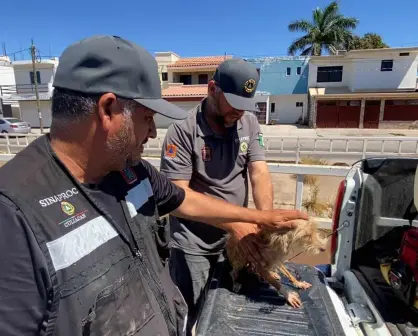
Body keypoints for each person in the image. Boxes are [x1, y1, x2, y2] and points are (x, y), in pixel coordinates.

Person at [0, 35, 307, 336]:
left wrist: (260, 219)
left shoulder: (133, 172)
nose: (151, 133)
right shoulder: (13, 215)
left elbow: (185, 199)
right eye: (147, 118)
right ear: (108, 110)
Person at [160, 58, 306, 334]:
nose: (239, 112)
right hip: (195, 246)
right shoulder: (182, 131)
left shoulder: (249, 123)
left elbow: (259, 173)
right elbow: (178, 198)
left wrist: (263, 223)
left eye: (245, 104)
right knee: (193, 318)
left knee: (228, 313)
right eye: (234, 103)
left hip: (240, 239)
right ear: (212, 89)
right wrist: (235, 224)